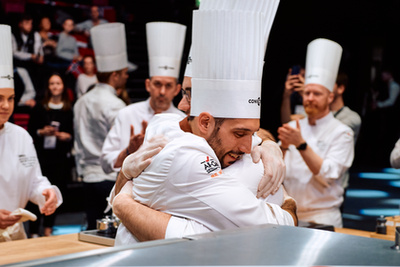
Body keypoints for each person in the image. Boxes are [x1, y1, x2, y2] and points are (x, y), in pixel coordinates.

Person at [113, 8, 297, 244]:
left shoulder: (165, 123)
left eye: (250, 133)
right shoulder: (189, 157)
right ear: (205, 122)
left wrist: (269, 143)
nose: (182, 105)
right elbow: (275, 229)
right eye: (240, 133)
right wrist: (288, 202)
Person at [278, 38, 354, 228]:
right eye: (307, 93)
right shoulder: (294, 125)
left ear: (330, 97)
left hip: (322, 218)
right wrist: (284, 148)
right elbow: (277, 172)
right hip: (288, 216)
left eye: (316, 94)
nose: (310, 98)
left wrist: (301, 145)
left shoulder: (342, 132)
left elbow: (328, 175)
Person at [0, 24, 62, 242]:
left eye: (10, 98)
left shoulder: (20, 136)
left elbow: (34, 180)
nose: (6, 106)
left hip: (16, 238)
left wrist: (46, 192)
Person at [100, 21, 187, 174]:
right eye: (157, 84)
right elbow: (105, 162)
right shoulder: (127, 114)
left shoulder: (183, 122)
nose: (161, 91)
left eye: (168, 86)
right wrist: (129, 151)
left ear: (177, 89)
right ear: (148, 85)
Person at [73, 23, 129, 230]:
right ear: (114, 75)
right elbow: (123, 148)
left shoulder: (81, 102)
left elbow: (78, 142)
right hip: (109, 178)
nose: (126, 76)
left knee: (92, 232)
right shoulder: (116, 105)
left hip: (87, 177)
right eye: (124, 72)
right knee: (113, 234)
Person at [27, 73, 73, 237]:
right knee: (36, 193)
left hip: (59, 159)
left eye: (58, 83)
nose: (55, 86)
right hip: (41, 157)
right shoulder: (40, 107)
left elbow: (73, 133)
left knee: (54, 194)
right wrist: (41, 132)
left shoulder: (68, 109)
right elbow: (30, 131)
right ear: (48, 87)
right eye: (52, 83)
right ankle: (33, 231)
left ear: (63, 86)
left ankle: (48, 230)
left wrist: (67, 136)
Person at [330, 71, 362, 196]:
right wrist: (287, 96)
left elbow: (329, 135)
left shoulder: (352, 117)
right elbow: (288, 122)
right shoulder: (312, 116)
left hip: (337, 182)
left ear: (341, 88)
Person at [11, 14, 44, 99]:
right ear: (20, 24)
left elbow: (38, 49)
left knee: (40, 70)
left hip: (32, 65)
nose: (29, 26)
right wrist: (31, 56)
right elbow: (14, 52)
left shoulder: (35, 34)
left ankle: (36, 97)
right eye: (26, 23)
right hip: (17, 64)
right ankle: (20, 99)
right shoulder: (13, 34)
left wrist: (39, 56)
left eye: (31, 23)